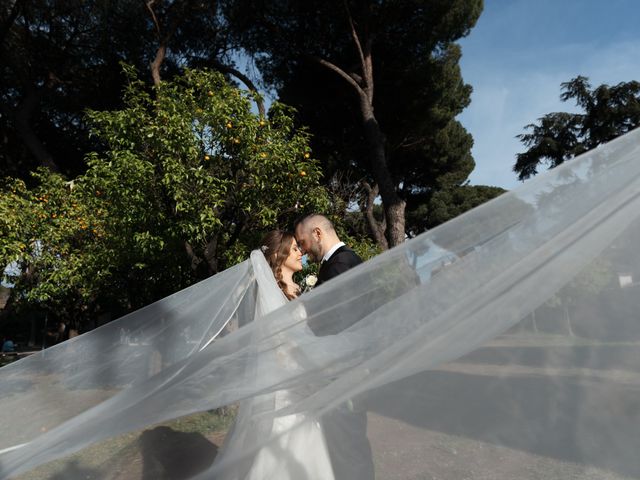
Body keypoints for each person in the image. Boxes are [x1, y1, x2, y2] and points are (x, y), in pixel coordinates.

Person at [216, 229, 335, 480]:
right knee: (281, 444)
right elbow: (278, 344)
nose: (300, 252)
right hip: (287, 385)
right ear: (280, 256)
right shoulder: (272, 296)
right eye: (294, 249)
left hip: (302, 383)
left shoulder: (296, 290)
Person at [294, 213, 375, 480]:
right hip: (345, 373)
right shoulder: (343, 262)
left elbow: (336, 325)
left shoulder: (341, 265)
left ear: (317, 233)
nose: (303, 251)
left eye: (303, 242)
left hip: (343, 376)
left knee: (347, 450)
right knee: (346, 447)